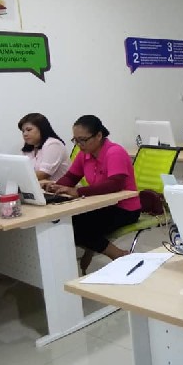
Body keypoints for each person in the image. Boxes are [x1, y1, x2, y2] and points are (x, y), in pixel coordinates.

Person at [47, 115, 141, 274]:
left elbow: (115, 184)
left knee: (77, 227)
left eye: (83, 140)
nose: (79, 144)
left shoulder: (114, 152)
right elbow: (71, 177)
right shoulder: (84, 154)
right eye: (76, 140)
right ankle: (95, 246)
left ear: (98, 135)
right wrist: (57, 186)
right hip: (100, 205)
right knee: (66, 222)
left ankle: (118, 254)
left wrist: (78, 191)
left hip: (125, 208)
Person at [0, 112, 70, 182]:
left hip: (59, 193)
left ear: (42, 129)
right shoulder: (28, 148)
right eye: (23, 131)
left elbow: (43, 174)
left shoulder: (53, 144)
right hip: (39, 191)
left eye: (29, 130)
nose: (25, 134)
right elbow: (19, 171)